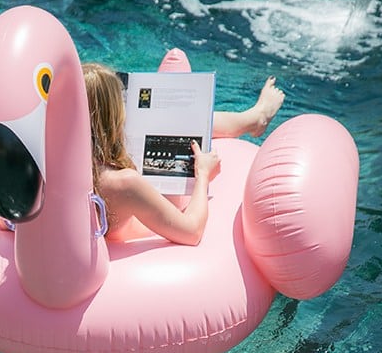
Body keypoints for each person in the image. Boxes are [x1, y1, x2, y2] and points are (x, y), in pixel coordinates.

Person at [82, 62, 284, 245]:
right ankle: (255, 118)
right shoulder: (123, 183)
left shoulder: (55, 163)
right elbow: (192, 232)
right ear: (115, 116)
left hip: (129, 201)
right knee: (184, 127)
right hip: (157, 212)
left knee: (167, 126)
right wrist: (203, 174)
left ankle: (252, 119)